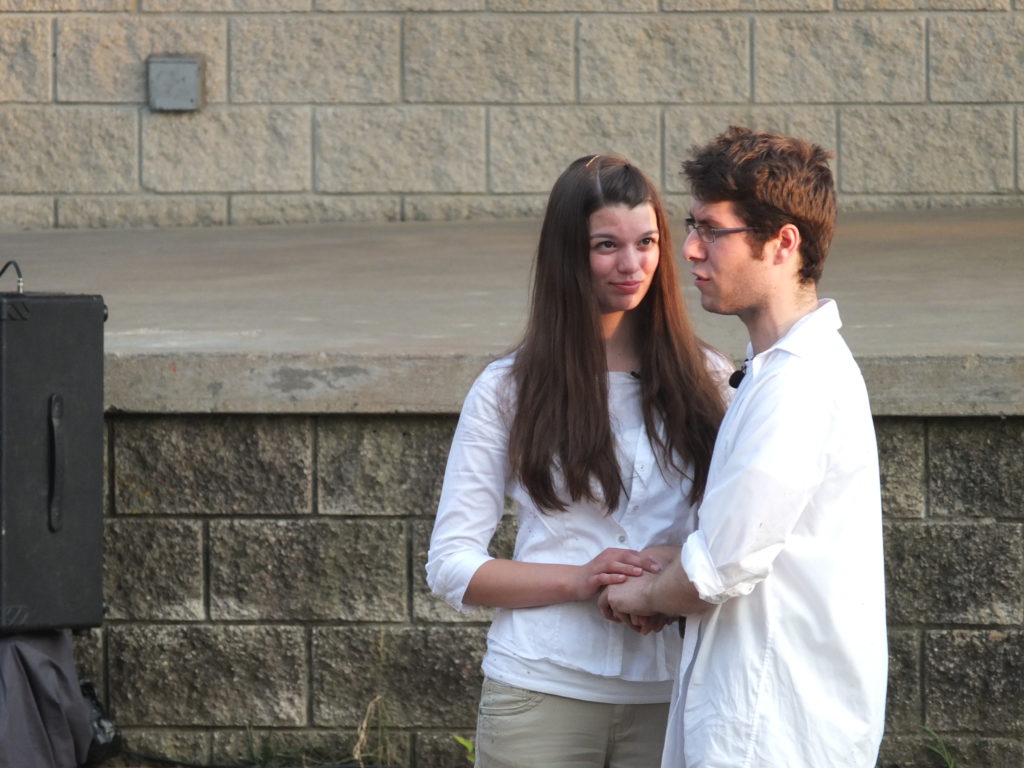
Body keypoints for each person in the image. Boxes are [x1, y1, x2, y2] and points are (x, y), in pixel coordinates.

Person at [426, 154, 730, 767]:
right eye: (605, 245)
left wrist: (670, 569)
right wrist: (579, 579)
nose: (631, 264)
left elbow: (733, 541)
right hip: (539, 695)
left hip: (673, 695)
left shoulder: (712, 380)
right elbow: (452, 566)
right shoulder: (508, 388)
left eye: (646, 242)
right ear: (568, 254)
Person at [601, 126, 888, 767]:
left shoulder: (798, 384)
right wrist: (669, 564)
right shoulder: (771, 371)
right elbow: (751, 545)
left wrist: (643, 594)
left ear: (783, 243)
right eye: (691, 226)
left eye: (712, 230)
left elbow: (719, 570)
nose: (689, 249)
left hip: (774, 730)